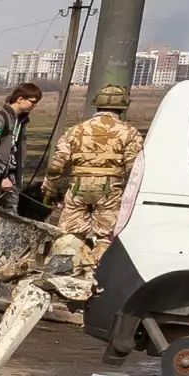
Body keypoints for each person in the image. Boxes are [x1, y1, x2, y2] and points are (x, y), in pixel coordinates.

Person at [49, 86, 141, 255]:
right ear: (122, 107)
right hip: (110, 190)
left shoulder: (76, 130)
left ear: (96, 105)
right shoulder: (130, 133)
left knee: (71, 234)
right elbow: (133, 169)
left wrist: (49, 188)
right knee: (106, 237)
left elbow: (56, 165)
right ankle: (97, 272)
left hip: (78, 187)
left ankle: (67, 269)